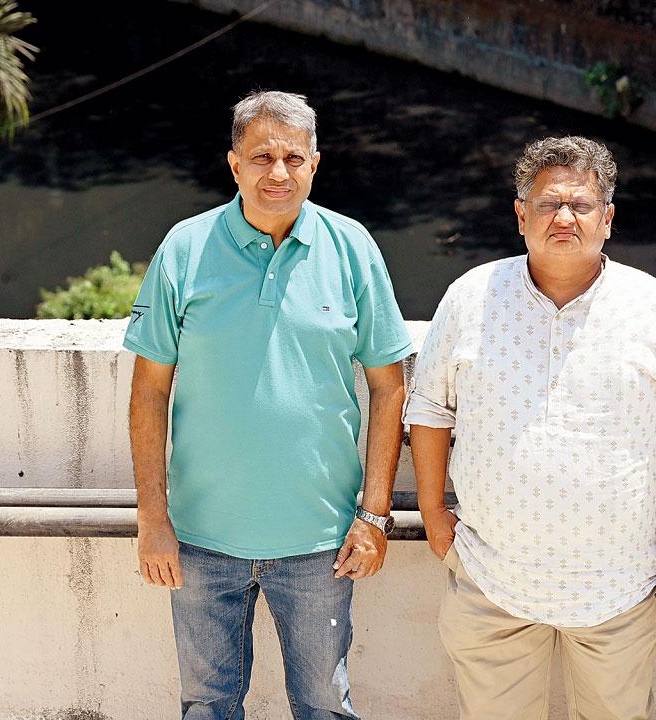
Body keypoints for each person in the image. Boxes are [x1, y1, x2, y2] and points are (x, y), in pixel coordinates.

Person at [404, 135, 656, 720]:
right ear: (521, 215)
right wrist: (431, 514)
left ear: (608, 218)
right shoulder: (471, 296)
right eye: (549, 204)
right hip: (491, 578)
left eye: (581, 204)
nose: (564, 218)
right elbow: (428, 412)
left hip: (620, 588)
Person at [124, 90, 411, 719]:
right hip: (200, 540)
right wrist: (153, 518)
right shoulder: (184, 248)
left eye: (292, 157)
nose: (277, 173)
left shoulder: (353, 247)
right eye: (261, 156)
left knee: (324, 708)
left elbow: (391, 387)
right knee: (206, 709)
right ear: (234, 165)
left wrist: (375, 515)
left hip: (321, 541)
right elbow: (148, 390)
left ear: (315, 163)